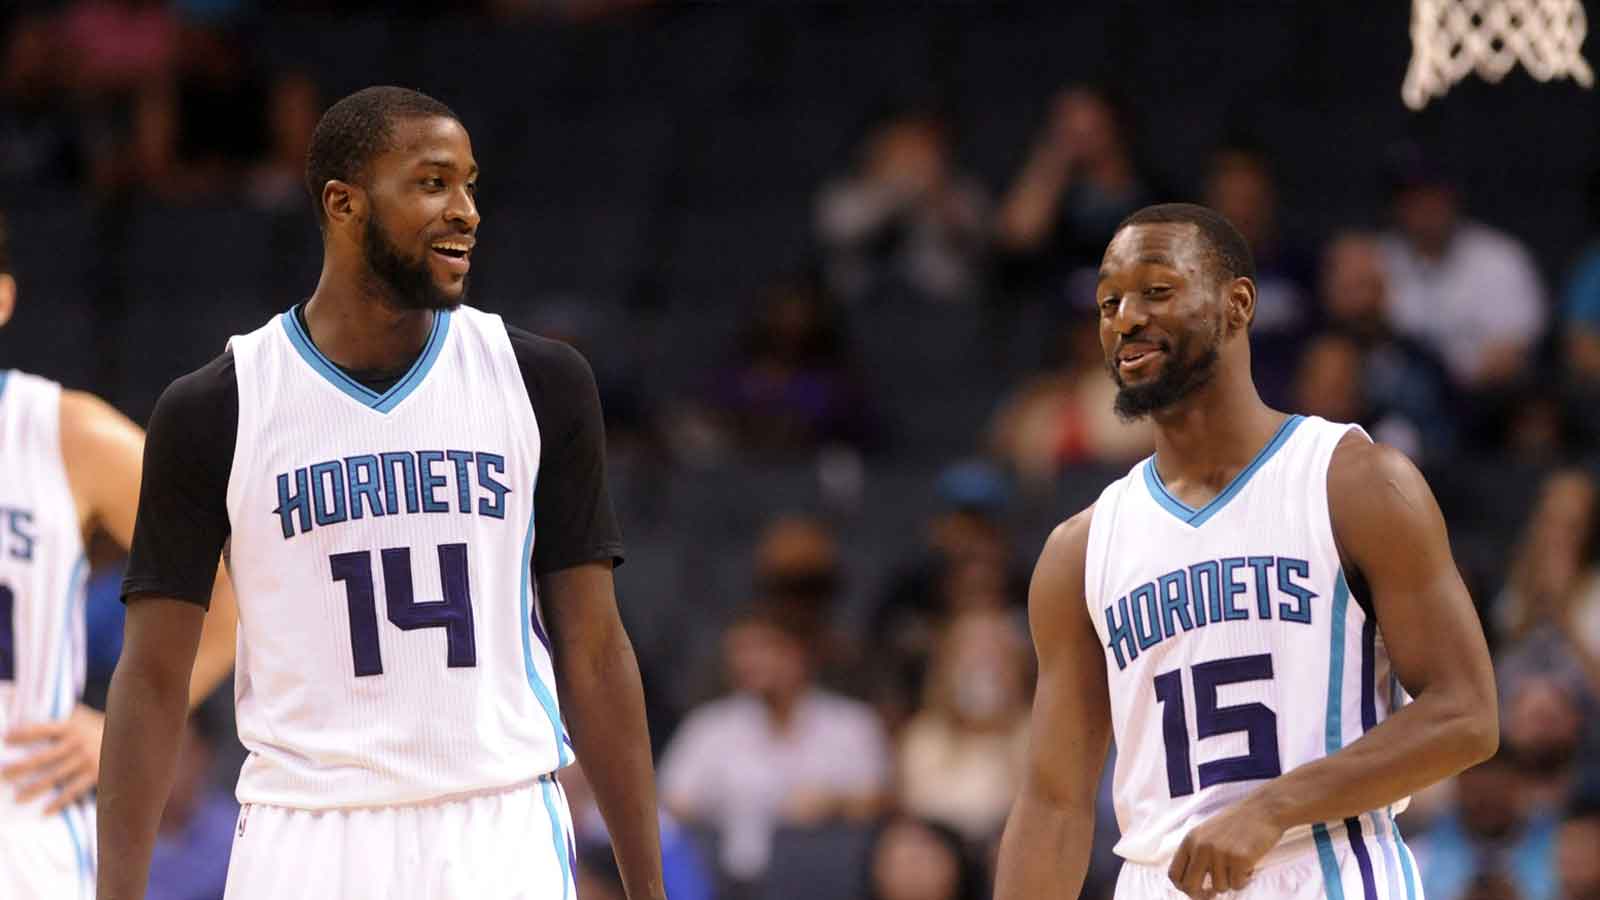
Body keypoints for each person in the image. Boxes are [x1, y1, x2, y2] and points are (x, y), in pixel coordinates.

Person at [97, 86, 666, 900]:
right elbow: (151, 677)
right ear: (343, 203)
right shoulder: (217, 406)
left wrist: (648, 889)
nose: (466, 210)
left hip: (493, 821)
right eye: (434, 183)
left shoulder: (539, 381)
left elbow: (596, 650)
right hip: (304, 829)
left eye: (470, 185)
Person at [993, 203, 1499, 899]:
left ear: (1237, 304)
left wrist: (1272, 807)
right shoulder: (1080, 549)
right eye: (1109, 302)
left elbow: (1467, 715)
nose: (1125, 318)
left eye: (1157, 291)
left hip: (1325, 865)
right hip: (1158, 879)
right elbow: (1053, 806)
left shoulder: (1355, 483)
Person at [0, 211, 237, 897]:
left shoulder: (64, 432)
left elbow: (227, 586)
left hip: (23, 830)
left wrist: (115, 730)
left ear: (5, 298)